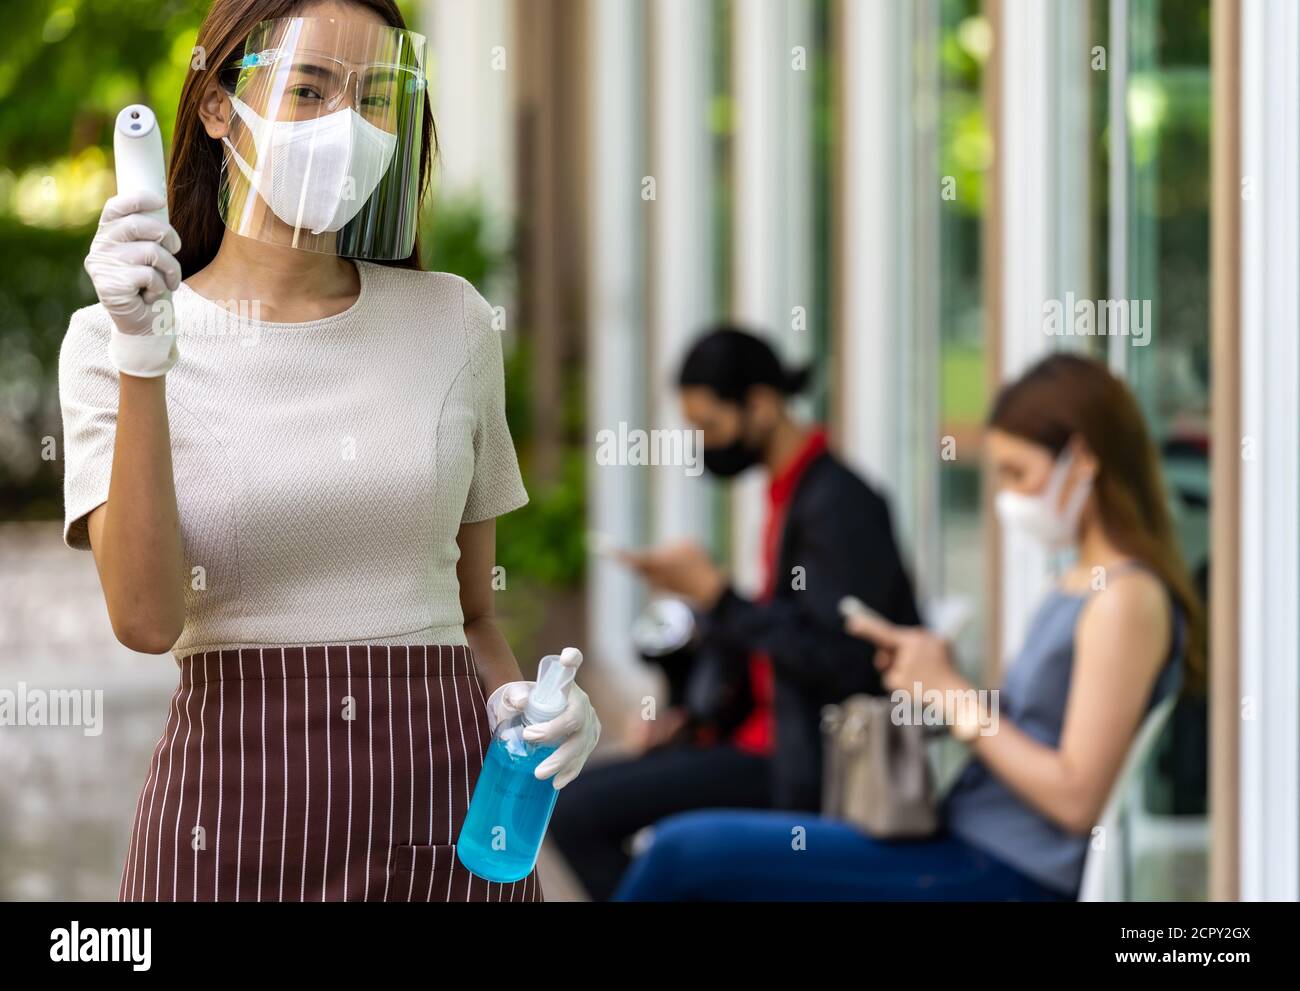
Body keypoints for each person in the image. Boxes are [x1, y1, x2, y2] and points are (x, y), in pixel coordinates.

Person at [59, 0, 599, 902]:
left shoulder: (453, 323)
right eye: (309, 88)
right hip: (228, 829)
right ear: (218, 106)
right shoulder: (107, 339)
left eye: (377, 96)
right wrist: (143, 352)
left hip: (450, 825)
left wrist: (533, 719)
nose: (347, 125)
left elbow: (473, 617)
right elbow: (147, 621)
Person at [613, 353, 1204, 901]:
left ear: (1084, 461)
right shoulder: (1078, 581)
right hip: (960, 844)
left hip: (1000, 870)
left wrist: (950, 694)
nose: (1005, 499)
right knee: (687, 853)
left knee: (683, 853)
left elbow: (1076, 798)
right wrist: (928, 679)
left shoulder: (1126, 598)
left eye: (1018, 474)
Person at [549, 326, 920, 900]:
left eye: (709, 427)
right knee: (577, 806)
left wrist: (719, 595)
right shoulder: (790, 495)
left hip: (798, 767)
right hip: (756, 743)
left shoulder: (840, 504)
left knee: (576, 812)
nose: (705, 445)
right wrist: (694, 722)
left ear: (762, 404)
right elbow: (778, 648)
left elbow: (845, 661)